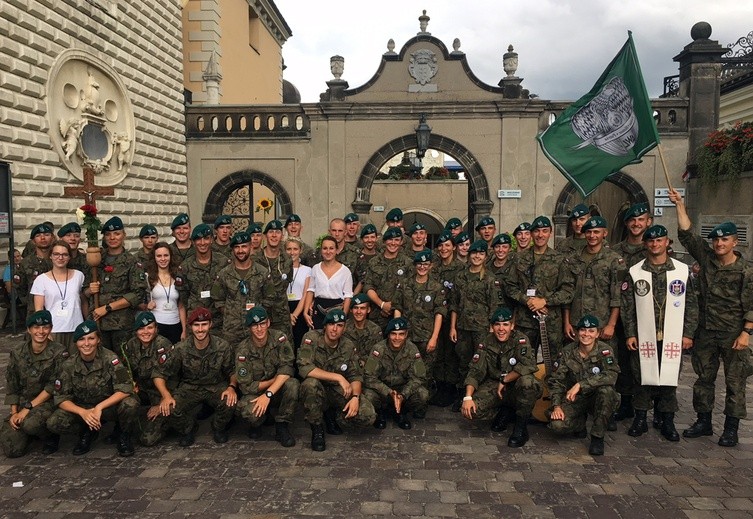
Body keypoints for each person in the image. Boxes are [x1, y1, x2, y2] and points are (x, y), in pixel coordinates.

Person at [669, 188, 753, 447]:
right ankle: (703, 421)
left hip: (732, 334)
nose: (719, 244)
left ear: (734, 242)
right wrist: (680, 205)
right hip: (706, 331)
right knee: (703, 379)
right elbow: (686, 235)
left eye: (724, 240)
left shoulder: (746, 270)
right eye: (716, 240)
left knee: (735, 382)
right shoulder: (706, 259)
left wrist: (746, 333)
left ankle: (731, 428)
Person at [621, 224, 698, 441]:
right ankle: (640, 418)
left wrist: (688, 334)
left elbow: (691, 304)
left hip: (672, 334)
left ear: (667, 242)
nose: (655, 244)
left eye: (659, 240)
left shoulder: (682, 271)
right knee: (642, 376)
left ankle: (667, 420)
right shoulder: (636, 272)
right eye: (651, 241)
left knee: (669, 377)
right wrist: (630, 333)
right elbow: (628, 306)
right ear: (645, 244)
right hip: (644, 334)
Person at [47, 320, 139, 456]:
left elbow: (125, 388)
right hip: (83, 408)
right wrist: (83, 413)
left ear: (98, 340)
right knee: (54, 423)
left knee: (130, 404)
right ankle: (86, 431)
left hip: (107, 406)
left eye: (91, 338)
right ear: (76, 343)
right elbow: (61, 398)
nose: (86, 343)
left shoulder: (111, 359)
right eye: (82, 339)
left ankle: (123, 434)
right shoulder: (68, 365)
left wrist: (99, 408)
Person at [152, 307, 237, 446]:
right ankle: (189, 428)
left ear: (210, 325)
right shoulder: (181, 348)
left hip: (215, 386)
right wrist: (166, 395)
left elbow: (232, 371)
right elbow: (158, 373)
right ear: (190, 327)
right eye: (196, 325)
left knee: (229, 401)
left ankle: (218, 428)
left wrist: (232, 387)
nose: (200, 329)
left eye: (204, 324)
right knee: (170, 408)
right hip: (189, 387)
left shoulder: (222, 346)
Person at [297, 308, 377, 451]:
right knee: (309, 385)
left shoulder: (348, 345)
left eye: (339, 325)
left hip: (336, 390)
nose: (335, 329)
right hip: (318, 388)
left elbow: (355, 375)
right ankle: (317, 428)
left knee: (367, 415)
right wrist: (338, 377)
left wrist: (355, 397)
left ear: (344, 328)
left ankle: (334, 416)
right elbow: (304, 368)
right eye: (331, 324)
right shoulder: (311, 339)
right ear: (325, 326)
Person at [461, 307, 541, 448]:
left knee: (528, 383)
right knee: (473, 410)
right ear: (492, 327)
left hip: (517, 383)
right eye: (497, 324)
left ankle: (520, 427)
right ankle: (506, 410)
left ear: (512, 326)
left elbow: (529, 365)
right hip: (494, 384)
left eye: (505, 324)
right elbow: (475, 371)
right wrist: (467, 398)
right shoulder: (486, 342)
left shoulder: (521, 340)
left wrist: (506, 379)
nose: (501, 329)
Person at [548, 315, 620, 456]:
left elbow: (612, 375)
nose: (586, 334)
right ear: (577, 332)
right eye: (583, 330)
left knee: (607, 392)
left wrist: (581, 384)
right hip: (575, 399)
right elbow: (556, 380)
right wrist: (556, 406)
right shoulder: (567, 352)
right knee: (557, 426)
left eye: (591, 331)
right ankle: (580, 423)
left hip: (596, 397)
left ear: (598, 333)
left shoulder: (605, 351)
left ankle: (597, 437)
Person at [0, 311, 67, 457]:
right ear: (29, 330)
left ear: (50, 329)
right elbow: (12, 384)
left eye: (45, 327)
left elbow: (53, 386)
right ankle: (28, 434)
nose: (41, 332)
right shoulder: (18, 352)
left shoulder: (59, 352)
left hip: (47, 402)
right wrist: (14, 413)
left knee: (31, 424)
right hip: (24, 402)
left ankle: (49, 435)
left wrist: (27, 409)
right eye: (36, 327)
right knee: (12, 450)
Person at [506, 216, 573, 359]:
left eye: (544, 231)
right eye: (536, 231)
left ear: (551, 233)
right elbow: (510, 286)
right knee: (523, 363)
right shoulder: (519, 258)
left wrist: (544, 301)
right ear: (531, 233)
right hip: (525, 322)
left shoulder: (559, 260)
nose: (540, 235)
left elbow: (567, 291)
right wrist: (527, 300)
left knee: (554, 365)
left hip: (551, 322)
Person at [611, 202, 653, 425]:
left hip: (646, 317)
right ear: (627, 223)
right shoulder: (615, 252)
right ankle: (626, 405)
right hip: (620, 318)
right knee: (623, 364)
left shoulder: (654, 250)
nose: (636, 224)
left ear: (648, 222)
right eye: (632, 220)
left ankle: (644, 410)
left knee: (645, 364)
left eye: (641, 219)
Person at [235, 307, 298, 447]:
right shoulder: (242, 349)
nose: (259, 329)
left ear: (268, 323)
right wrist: (273, 382)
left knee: (292, 385)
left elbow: (287, 368)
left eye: (262, 324)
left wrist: (268, 394)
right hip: (256, 393)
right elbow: (246, 386)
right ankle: (258, 423)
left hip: (276, 391)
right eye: (255, 325)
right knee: (248, 412)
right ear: (249, 328)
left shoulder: (279, 339)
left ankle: (282, 426)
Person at [449, 240, 499, 411]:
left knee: (480, 363)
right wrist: (453, 327)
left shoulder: (489, 278)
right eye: (474, 253)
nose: (477, 256)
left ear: (485, 256)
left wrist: (492, 331)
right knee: (463, 362)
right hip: (463, 327)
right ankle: (462, 395)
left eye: (481, 253)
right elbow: (454, 304)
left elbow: (494, 307)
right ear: (469, 255)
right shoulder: (460, 276)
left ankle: (478, 398)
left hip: (482, 329)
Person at [393, 250, 446, 407]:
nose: (422, 267)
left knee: (425, 373)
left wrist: (434, 338)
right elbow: (397, 308)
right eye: (419, 264)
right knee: (405, 370)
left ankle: (421, 403)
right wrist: (397, 332)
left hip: (426, 337)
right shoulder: (405, 284)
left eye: (426, 264)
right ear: (415, 265)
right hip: (407, 336)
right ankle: (403, 401)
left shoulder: (436, 287)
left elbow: (439, 313)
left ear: (430, 266)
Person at [84, 216, 144, 352]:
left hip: (121, 325)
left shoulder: (132, 262)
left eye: (116, 233)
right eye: (108, 234)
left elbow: (137, 294)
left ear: (124, 235)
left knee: (122, 363)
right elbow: (85, 290)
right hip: (97, 323)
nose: (112, 237)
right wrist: (90, 290)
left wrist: (107, 308)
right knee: (99, 362)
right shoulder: (96, 259)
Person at [118, 311, 175, 446]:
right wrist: (129, 383)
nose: (145, 332)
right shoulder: (130, 345)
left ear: (156, 329)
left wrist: (159, 404)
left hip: (163, 392)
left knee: (147, 439)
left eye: (150, 327)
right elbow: (123, 369)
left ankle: (171, 425)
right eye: (141, 328)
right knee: (126, 403)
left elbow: (168, 378)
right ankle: (122, 432)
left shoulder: (163, 345)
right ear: (136, 331)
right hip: (142, 390)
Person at [363, 317, 429, 430]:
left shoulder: (412, 349)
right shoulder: (378, 349)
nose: (397, 338)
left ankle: (401, 412)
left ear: (406, 334)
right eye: (393, 334)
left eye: (401, 334)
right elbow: (368, 376)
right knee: (368, 395)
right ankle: (380, 413)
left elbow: (419, 377)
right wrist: (388, 392)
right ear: (388, 335)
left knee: (423, 394)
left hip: (402, 390)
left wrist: (403, 395)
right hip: (383, 391)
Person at [211, 231, 267, 347]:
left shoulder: (262, 272)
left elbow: (269, 299)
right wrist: (231, 313)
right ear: (232, 250)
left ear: (251, 247)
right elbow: (218, 299)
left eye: (244, 246)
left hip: (256, 328)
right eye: (236, 247)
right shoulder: (224, 274)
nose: (240, 250)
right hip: (232, 330)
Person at [430, 232, 466, 407]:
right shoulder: (433, 268)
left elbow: (458, 298)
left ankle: (452, 387)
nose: (444, 249)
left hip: (453, 317)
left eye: (447, 245)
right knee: (438, 352)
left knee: (452, 353)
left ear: (453, 247)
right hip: (436, 317)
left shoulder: (460, 268)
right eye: (441, 246)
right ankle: (440, 385)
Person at [31, 240, 85, 351]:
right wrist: (45, 331)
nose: (60, 258)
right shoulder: (41, 280)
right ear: (50, 256)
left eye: (65, 254)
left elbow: (83, 301)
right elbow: (39, 310)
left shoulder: (79, 276)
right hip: (54, 329)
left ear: (69, 257)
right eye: (56, 254)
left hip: (76, 328)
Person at [175, 223, 231, 330]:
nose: (202, 243)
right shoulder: (185, 266)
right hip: (195, 323)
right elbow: (183, 297)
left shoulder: (224, 263)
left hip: (220, 322)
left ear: (211, 240)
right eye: (198, 239)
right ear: (193, 242)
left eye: (206, 239)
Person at [363, 227, 413, 329]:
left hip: (401, 315)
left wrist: (394, 307)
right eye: (390, 239)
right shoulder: (374, 262)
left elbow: (410, 289)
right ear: (385, 241)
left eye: (397, 240)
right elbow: (368, 287)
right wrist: (382, 305)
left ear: (401, 242)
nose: (393, 243)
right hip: (377, 316)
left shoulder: (408, 263)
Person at [254, 220, 294, 338]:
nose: (274, 235)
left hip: (281, 314)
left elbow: (288, 280)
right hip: (261, 313)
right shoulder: (255, 259)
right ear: (265, 236)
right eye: (271, 232)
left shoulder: (287, 259)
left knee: (284, 347)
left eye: (277, 232)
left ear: (282, 236)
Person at [304, 235, 353, 329]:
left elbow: (348, 297)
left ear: (337, 250)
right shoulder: (315, 268)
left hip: (337, 309)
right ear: (321, 250)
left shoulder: (345, 271)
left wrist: (343, 317)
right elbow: (310, 290)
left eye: (331, 248)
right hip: (318, 309)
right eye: (325, 248)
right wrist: (305, 312)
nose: (328, 251)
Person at [144, 242, 186, 344]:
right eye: (159, 256)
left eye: (166, 255)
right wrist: (146, 306)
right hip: (156, 324)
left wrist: (184, 330)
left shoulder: (178, 276)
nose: (163, 259)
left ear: (171, 256)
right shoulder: (148, 277)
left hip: (175, 324)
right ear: (154, 258)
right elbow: (139, 302)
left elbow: (181, 306)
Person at [14, 223, 53, 318]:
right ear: (33, 241)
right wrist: (30, 301)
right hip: (34, 311)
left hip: (57, 308)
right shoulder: (26, 263)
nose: (43, 238)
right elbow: (19, 287)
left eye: (46, 235)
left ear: (52, 238)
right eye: (38, 236)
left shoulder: (59, 258)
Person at [285, 237, 312, 350]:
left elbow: (305, 294)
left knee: (299, 343)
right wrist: (288, 314)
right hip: (284, 307)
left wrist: (295, 315)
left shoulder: (307, 270)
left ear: (300, 250)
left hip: (300, 309)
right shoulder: (280, 269)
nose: (292, 252)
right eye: (289, 249)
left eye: (295, 249)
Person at [343, 293, 383, 366]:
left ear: (368, 310)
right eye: (355, 308)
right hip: (347, 368)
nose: (358, 312)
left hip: (369, 368)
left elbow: (377, 355)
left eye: (362, 308)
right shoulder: (344, 328)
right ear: (351, 310)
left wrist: (367, 371)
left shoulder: (375, 330)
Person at [353, 224, 379, 293]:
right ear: (362, 240)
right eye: (366, 237)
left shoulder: (381, 257)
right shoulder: (355, 257)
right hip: (357, 295)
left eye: (372, 237)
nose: (369, 240)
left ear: (377, 238)